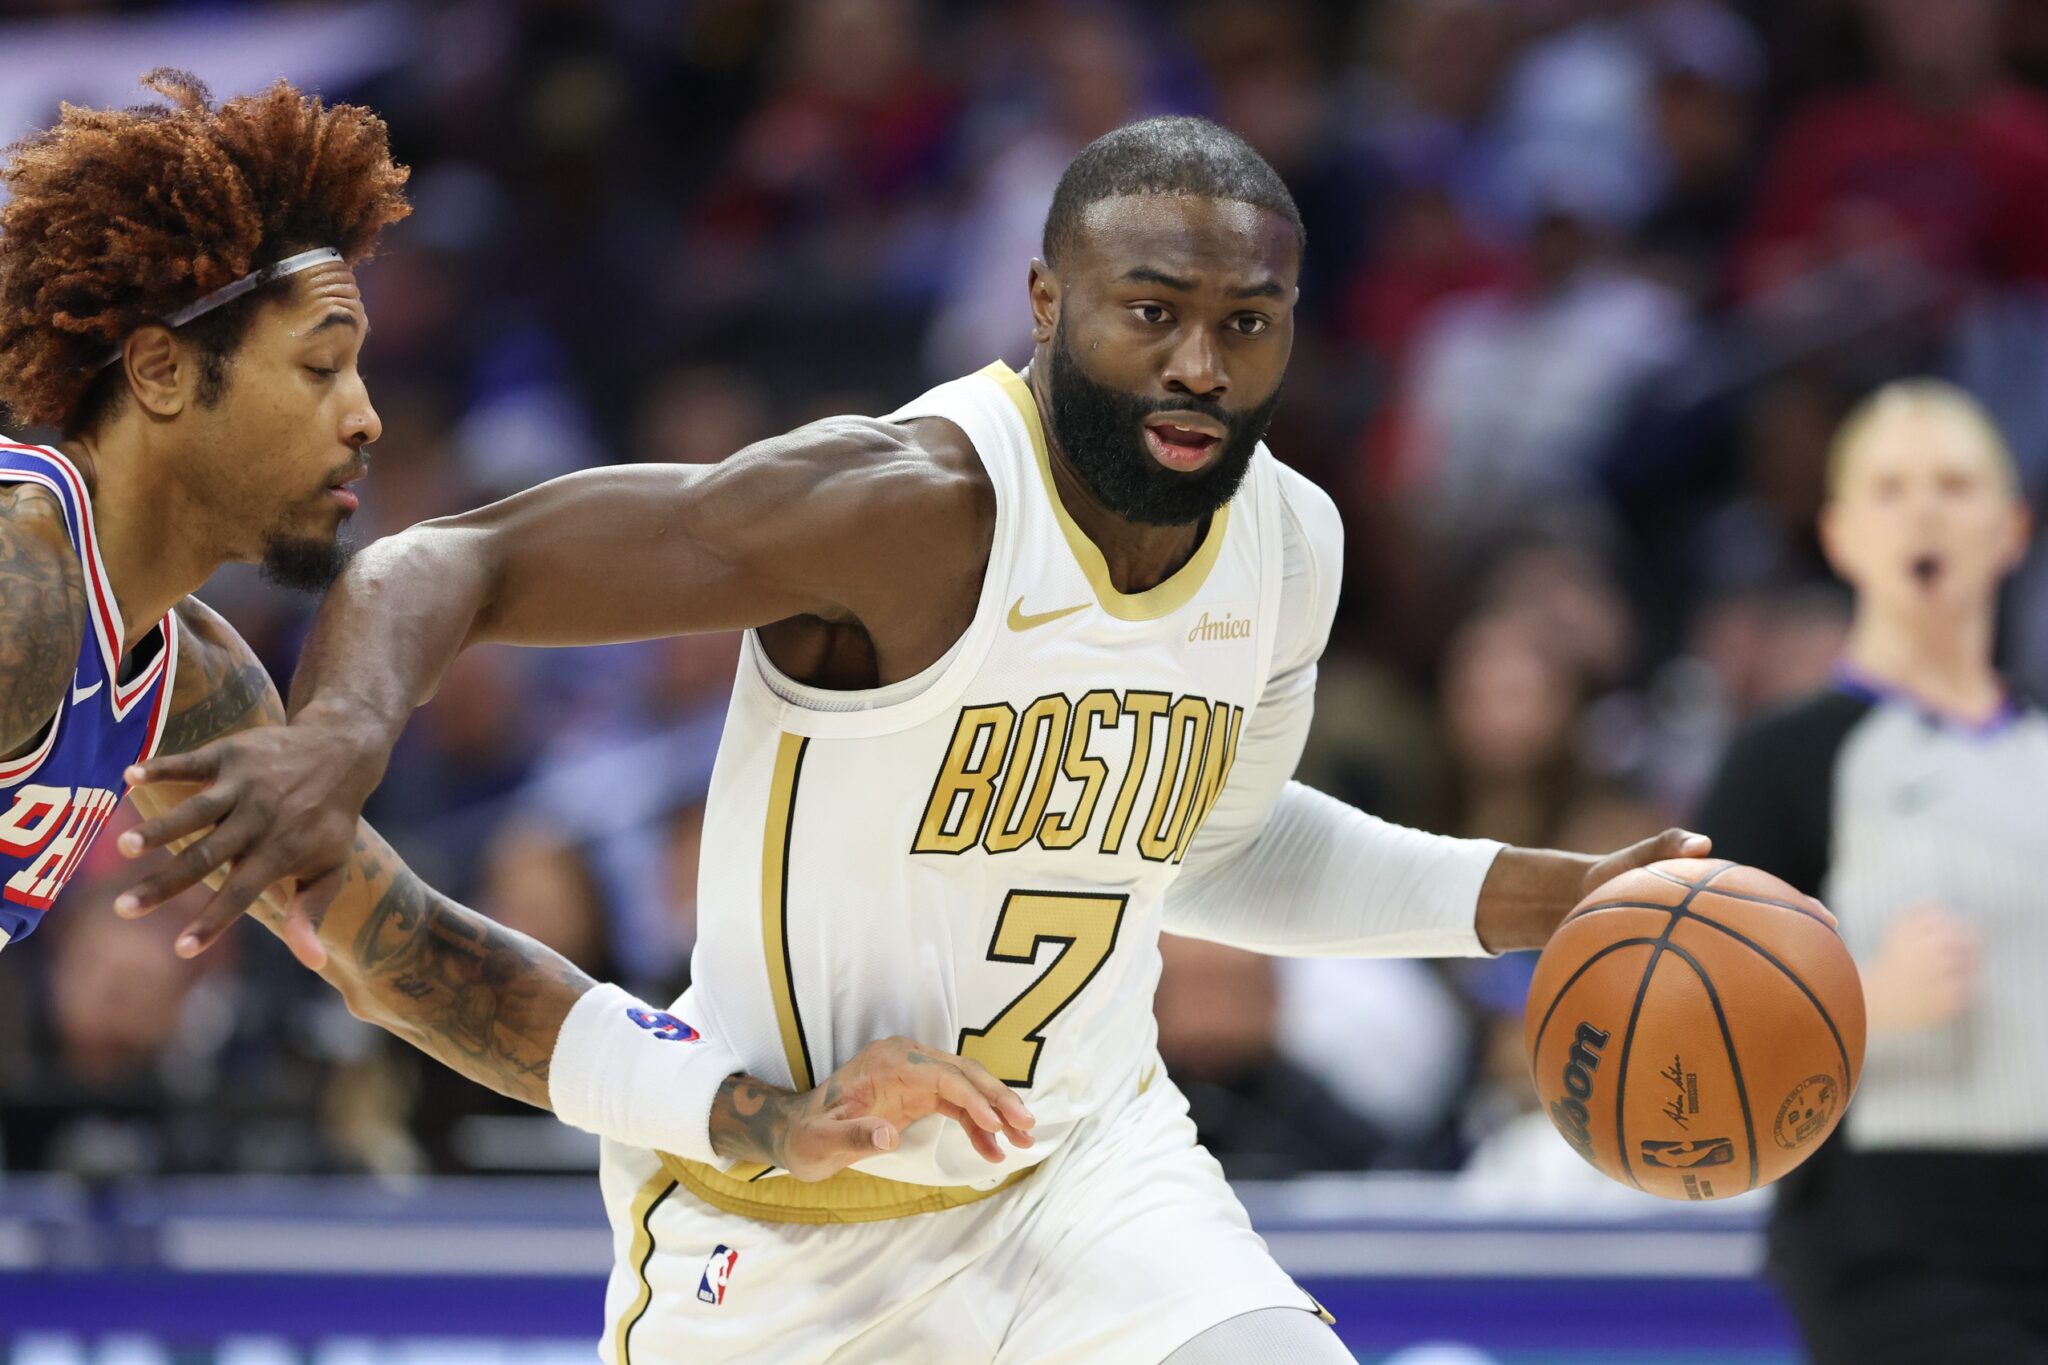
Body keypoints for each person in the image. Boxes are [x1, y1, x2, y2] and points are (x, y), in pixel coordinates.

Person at [126, 115, 1707, 1363]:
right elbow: (449, 558)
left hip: (1092, 1173)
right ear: (1045, 301)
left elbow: (1210, 847)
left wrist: (1539, 895)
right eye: (1151, 313)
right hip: (787, 1203)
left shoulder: (1291, 540)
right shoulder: (905, 508)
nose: (1199, 368)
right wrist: (342, 728)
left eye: (1248, 323)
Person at [0, 69, 1033, 1192]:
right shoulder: (22, 582)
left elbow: (405, 955)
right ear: (160, 371)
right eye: (315, 367)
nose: (364, 416)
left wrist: (762, 1121)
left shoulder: (182, 672)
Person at [1696, 380, 2048, 1364]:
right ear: (1841, 533)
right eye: (1889, 489)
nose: (1923, 510)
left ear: (2011, 527)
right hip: (1887, 1232)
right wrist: (1855, 1001)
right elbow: (1691, 1019)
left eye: (1952, 483)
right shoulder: (1784, 761)